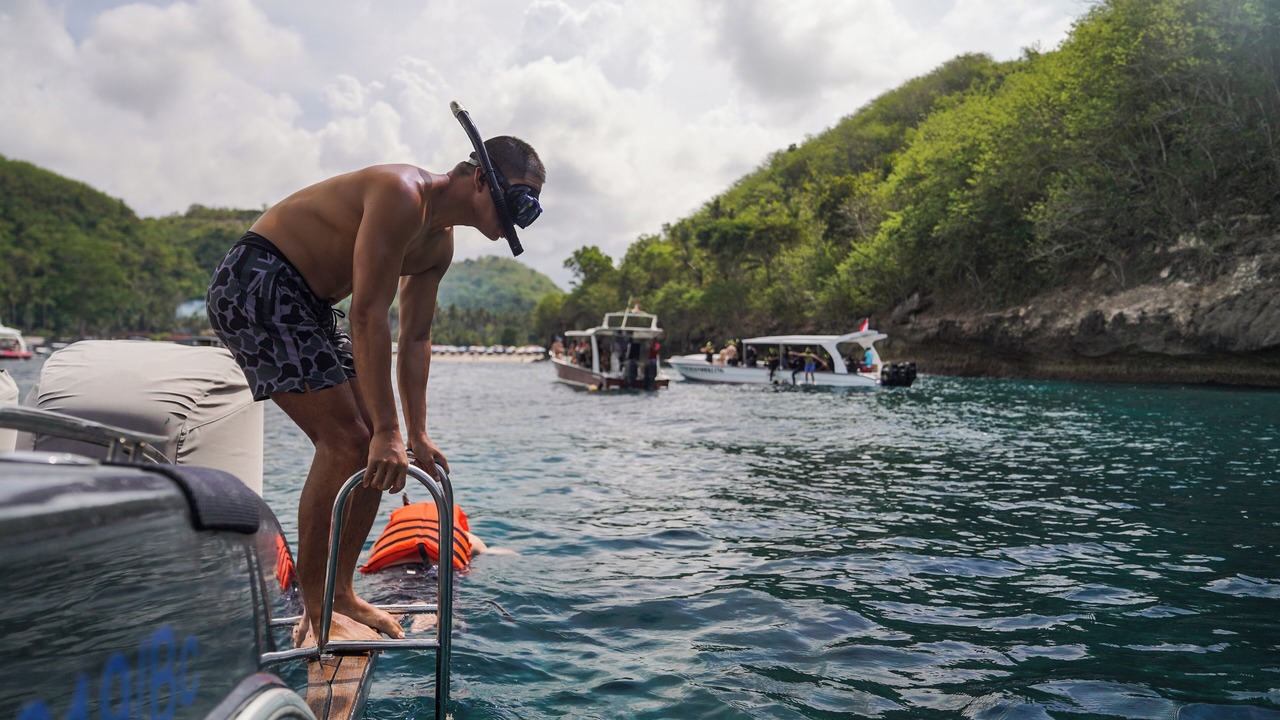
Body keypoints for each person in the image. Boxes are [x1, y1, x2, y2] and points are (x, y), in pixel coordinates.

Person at [206, 133, 545, 645]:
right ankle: (316, 606)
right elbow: (367, 314)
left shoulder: (440, 243)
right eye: (520, 199)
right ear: (480, 178)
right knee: (349, 441)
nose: (523, 215)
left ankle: (339, 592)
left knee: (373, 447)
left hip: (312, 304)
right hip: (258, 280)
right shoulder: (401, 193)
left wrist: (416, 433)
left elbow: (415, 338)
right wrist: (386, 428)